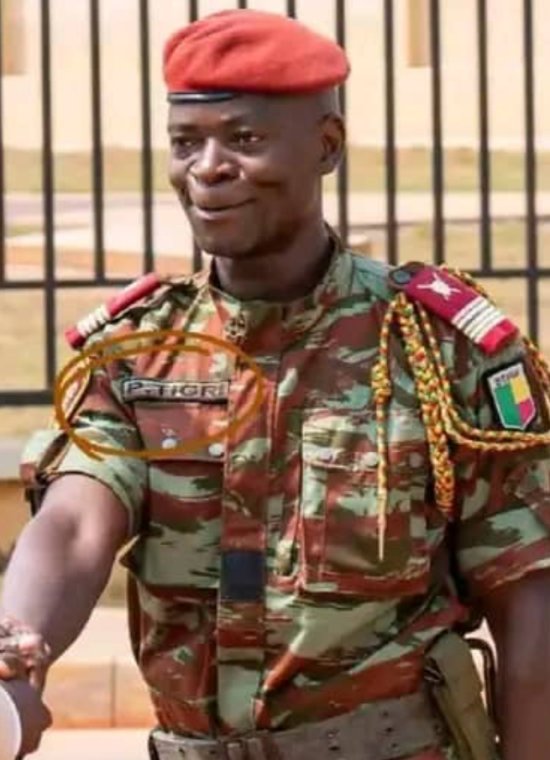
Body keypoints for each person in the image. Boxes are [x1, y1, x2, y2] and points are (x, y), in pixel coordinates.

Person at [2, 8, 550, 759]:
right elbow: (72, 525)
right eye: (186, 142)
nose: (208, 167)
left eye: (245, 139)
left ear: (327, 146)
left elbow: (529, 603)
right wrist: (16, 656)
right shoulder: (140, 355)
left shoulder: (440, 350)